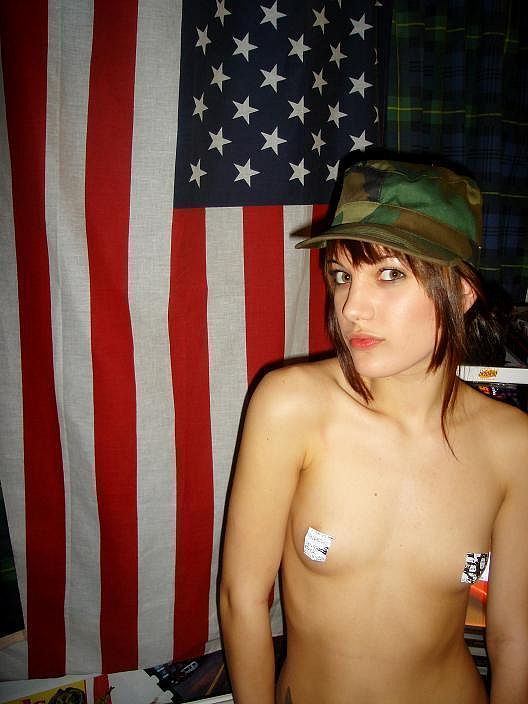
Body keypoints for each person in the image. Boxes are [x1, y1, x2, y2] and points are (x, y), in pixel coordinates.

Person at [219, 160, 528, 704]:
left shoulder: (512, 445)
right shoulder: (292, 406)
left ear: (461, 292)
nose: (351, 308)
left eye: (389, 274)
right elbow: (241, 597)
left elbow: (513, 632)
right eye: (342, 275)